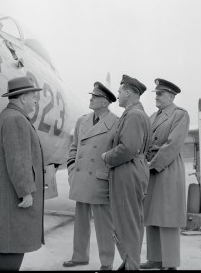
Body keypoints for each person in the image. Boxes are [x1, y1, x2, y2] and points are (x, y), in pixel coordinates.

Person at [0, 76, 44, 271]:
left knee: (6, 249)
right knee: (10, 250)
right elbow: (18, 159)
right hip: (13, 203)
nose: (35, 101)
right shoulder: (16, 119)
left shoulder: (9, 116)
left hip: (6, 201)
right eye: (33, 96)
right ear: (23, 98)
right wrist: (26, 191)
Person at [63, 82, 118, 271]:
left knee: (104, 225)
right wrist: (71, 168)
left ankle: (107, 262)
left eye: (95, 96)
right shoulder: (82, 121)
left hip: (101, 179)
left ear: (105, 102)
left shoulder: (116, 123)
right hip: (80, 178)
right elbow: (74, 147)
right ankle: (79, 257)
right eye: (91, 95)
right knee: (80, 221)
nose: (91, 99)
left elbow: (119, 153)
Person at [102, 75, 152, 270]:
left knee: (127, 222)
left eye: (120, 91)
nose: (118, 95)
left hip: (127, 170)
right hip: (131, 169)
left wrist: (107, 156)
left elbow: (129, 148)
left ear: (129, 93)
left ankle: (131, 265)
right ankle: (129, 262)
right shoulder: (135, 113)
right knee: (129, 220)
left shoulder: (134, 115)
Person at [141, 78, 190, 270]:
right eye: (156, 94)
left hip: (167, 168)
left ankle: (170, 263)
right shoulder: (153, 116)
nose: (157, 97)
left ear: (171, 96)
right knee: (151, 215)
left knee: (167, 216)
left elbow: (173, 144)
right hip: (150, 168)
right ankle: (155, 259)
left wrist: (152, 164)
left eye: (160, 94)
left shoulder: (180, 115)